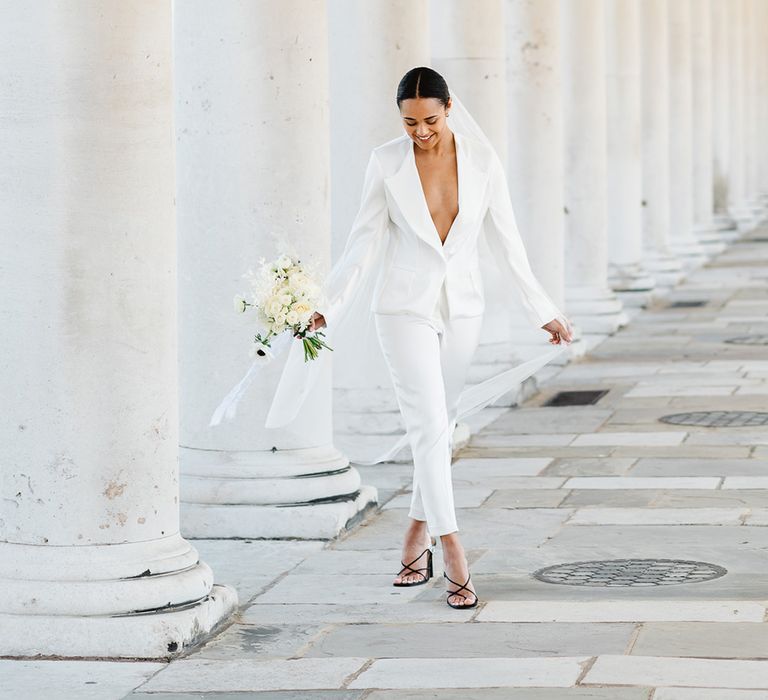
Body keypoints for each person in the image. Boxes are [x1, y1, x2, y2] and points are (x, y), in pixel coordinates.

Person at [297, 67, 573, 609]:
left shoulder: (482, 160)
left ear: (449, 108)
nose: (419, 132)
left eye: (428, 120)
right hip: (402, 308)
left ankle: (411, 540)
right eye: (408, 122)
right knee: (427, 423)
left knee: (438, 429)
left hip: (463, 308)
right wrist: (328, 305)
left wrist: (543, 310)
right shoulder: (385, 162)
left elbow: (507, 242)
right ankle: (453, 550)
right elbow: (363, 242)